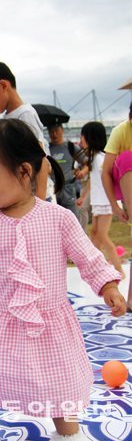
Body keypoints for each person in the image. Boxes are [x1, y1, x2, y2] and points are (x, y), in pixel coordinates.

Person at [0, 117, 126, 441]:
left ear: (24, 171)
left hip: (47, 322)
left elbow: (89, 259)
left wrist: (109, 286)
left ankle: (68, 434)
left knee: (58, 381)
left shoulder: (59, 219)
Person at [0, 59, 50, 200]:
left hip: (34, 197)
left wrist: (40, 202)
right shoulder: (9, 117)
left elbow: (41, 160)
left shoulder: (24, 115)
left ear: (3, 85)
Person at [77, 122, 124, 278]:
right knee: (95, 234)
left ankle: (119, 270)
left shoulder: (101, 158)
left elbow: (110, 178)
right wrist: (83, 196)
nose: (80, 140)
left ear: (90, 138)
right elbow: (94, 179)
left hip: (106, 202)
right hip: (98, 202)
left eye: (82, 136)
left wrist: (115, 202)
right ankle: (96, 268)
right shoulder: (94, 159)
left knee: (102, 235)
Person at [101, 101, 132, 311]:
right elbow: (105, 171)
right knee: (128, 158)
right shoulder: (121, 131)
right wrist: (114, 206)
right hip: (122, 177)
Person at [48, 123, 84, 218]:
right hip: (52, 189)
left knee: (72, 217)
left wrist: (82, 172)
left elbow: (87, 162)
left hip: (68, 188)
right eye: (51, 132)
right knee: (54, 218)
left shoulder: (70, 147)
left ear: (62, 130)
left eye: (56, 131)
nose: (54, 134)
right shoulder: (47, 149)